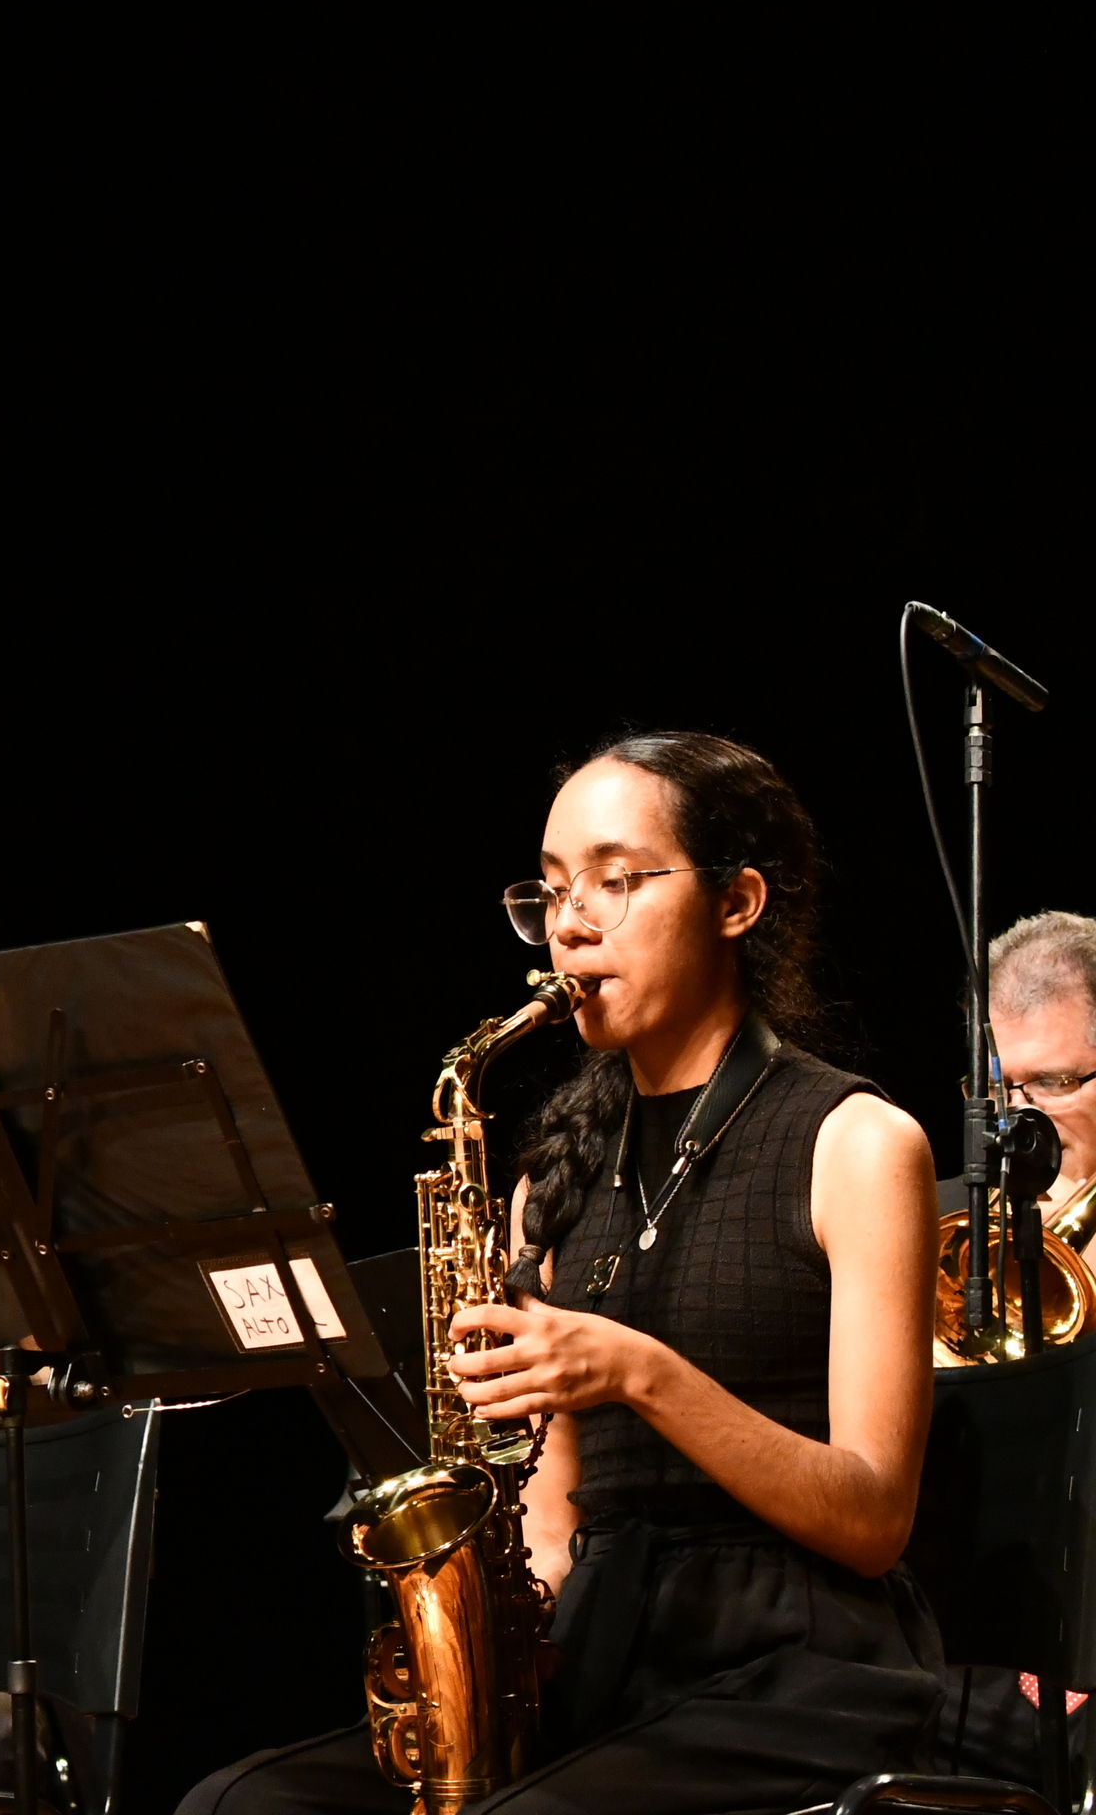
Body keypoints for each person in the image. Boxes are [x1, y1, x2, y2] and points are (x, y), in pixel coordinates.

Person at [183, 731, 942, 1814]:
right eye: (549, 891)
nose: (570, 923)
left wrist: (641, 1372)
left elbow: (872, 1519)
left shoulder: (858, 1142)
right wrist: (487, 1638)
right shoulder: (551, 1180)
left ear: (736, 902)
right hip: (607, 1649)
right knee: (238, 1803)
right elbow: (547, 1519)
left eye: (614, 880)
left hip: (803, 1668)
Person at [928, 910, 1096, 1782]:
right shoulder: (940, 1225)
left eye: (1056, 1083)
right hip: (964, 1654)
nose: (1020, 1124)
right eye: (1000, 1091)